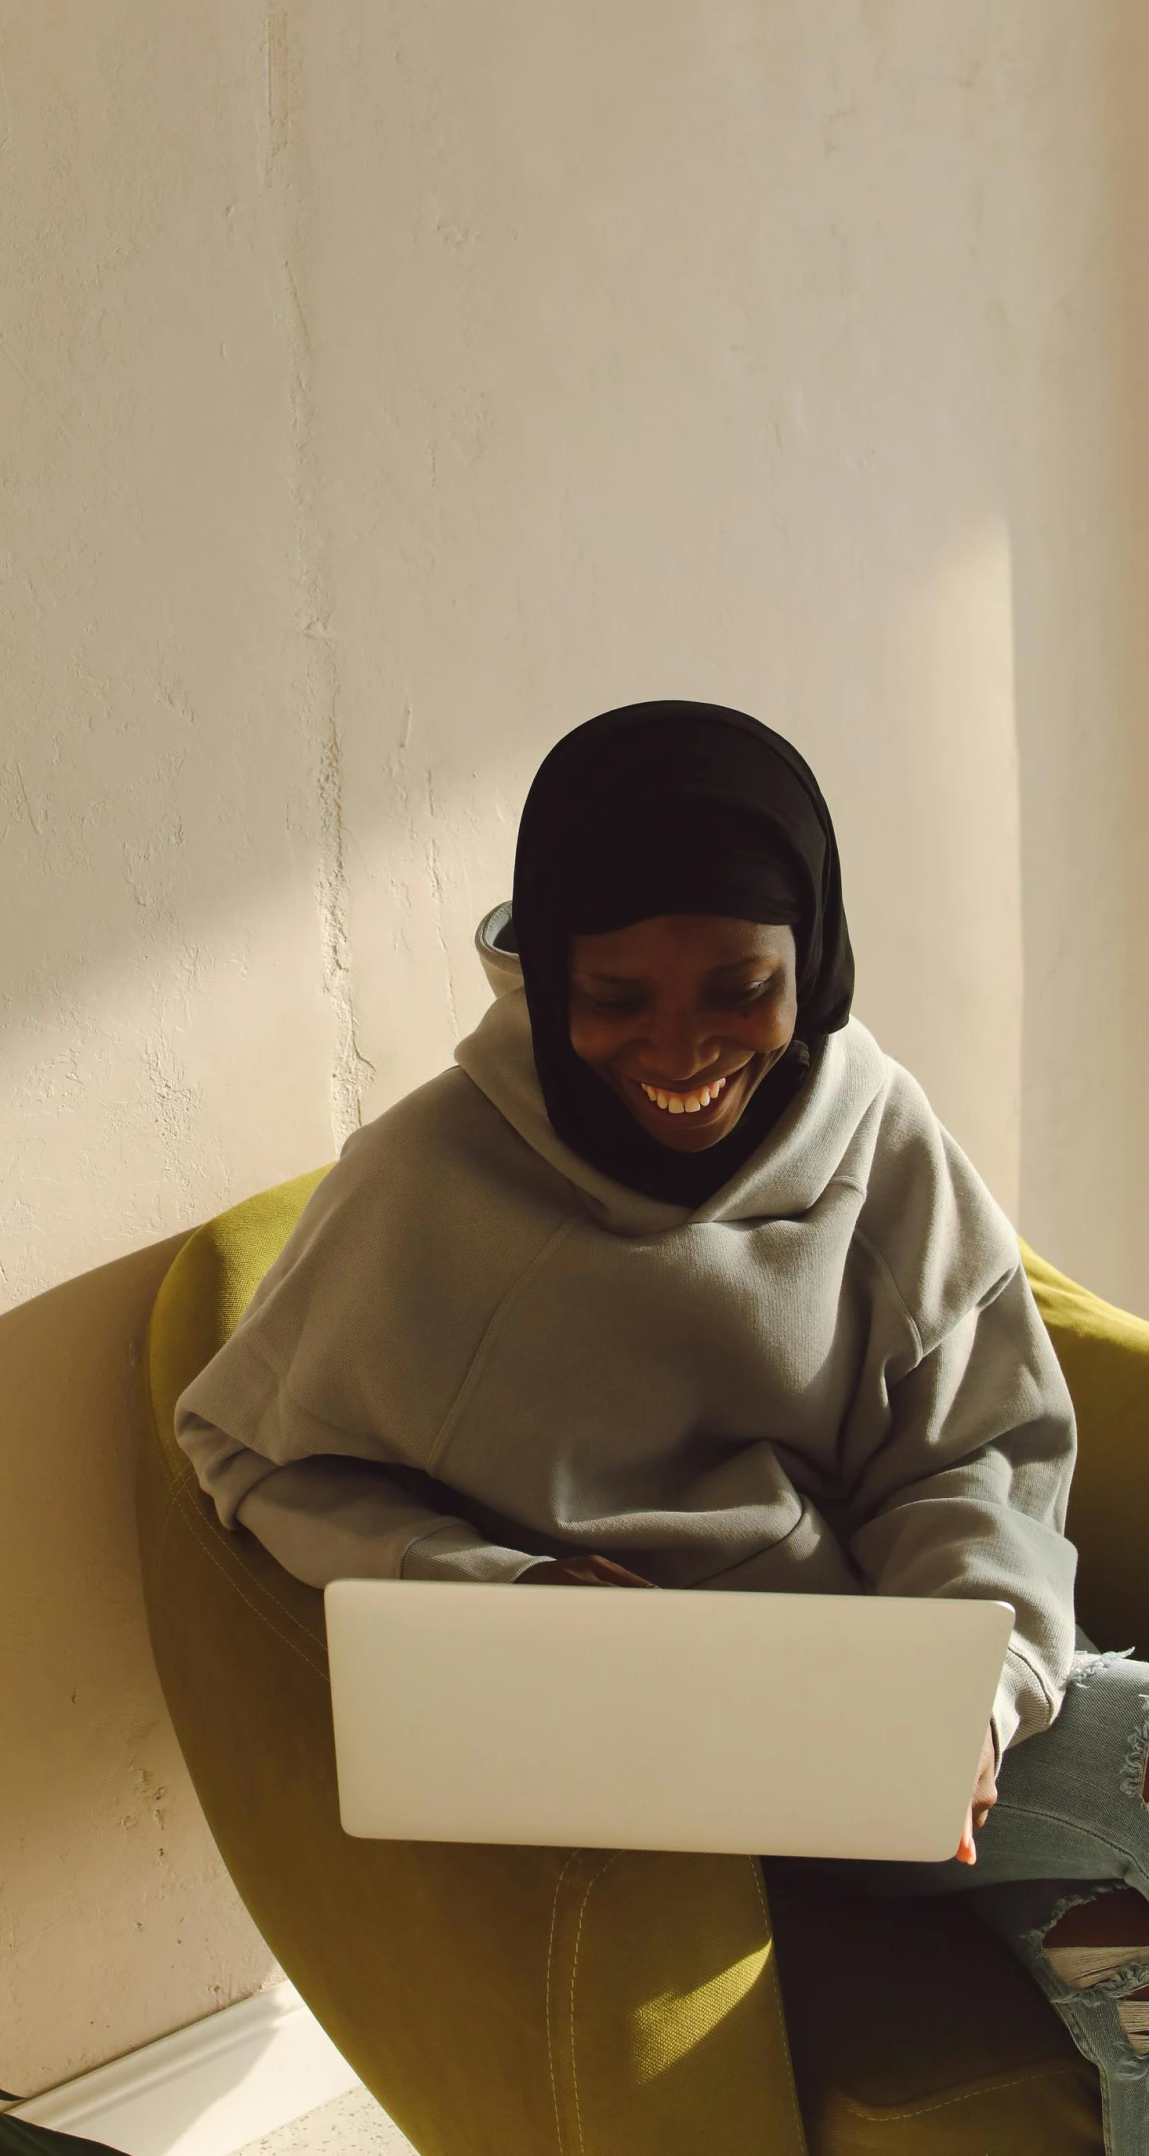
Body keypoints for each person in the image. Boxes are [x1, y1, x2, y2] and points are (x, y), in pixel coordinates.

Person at [177, 701, 1149, 2151]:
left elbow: (967, 1457)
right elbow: (248, 1448)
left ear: (809, 964)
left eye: (736, 987)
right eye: (616, 993)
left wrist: (978, 1680)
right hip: (625, 1768)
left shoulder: (880, 1139)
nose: (678, 1047)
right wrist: (503, 1596)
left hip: (872, 1721)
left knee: (1125, 1958)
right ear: (548, 970)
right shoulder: (427, 1180)